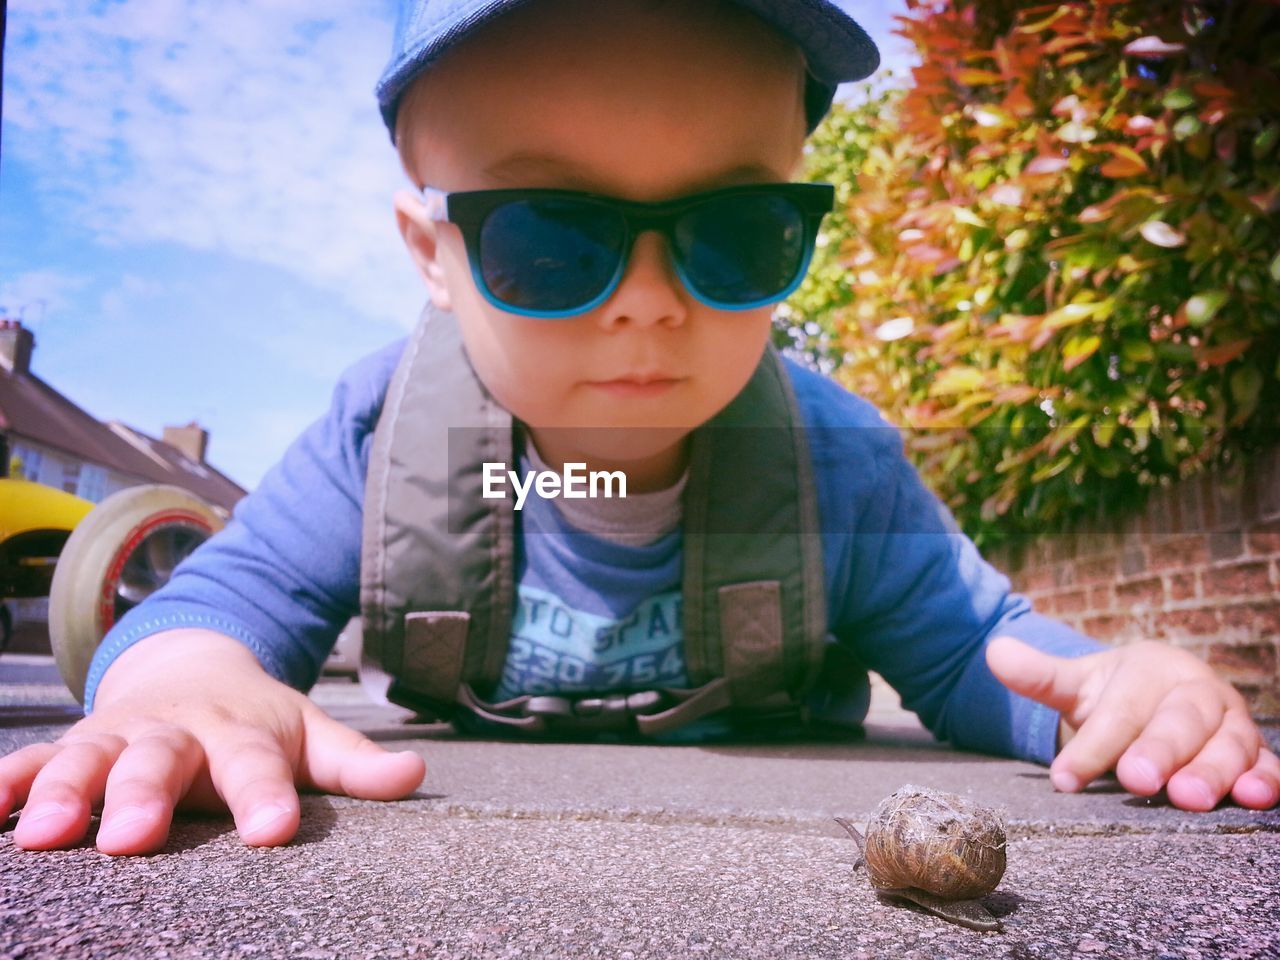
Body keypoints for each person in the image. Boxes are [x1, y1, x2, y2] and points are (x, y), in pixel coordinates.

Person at [3, 0, 1276, 858]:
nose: (650, 302)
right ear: (430, 254)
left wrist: (1118, 692)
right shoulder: (389, 436)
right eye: (549, 238)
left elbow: (981, 658)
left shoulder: (830, 461)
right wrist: (186, 691)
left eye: (734, 232)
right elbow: (225, 603)